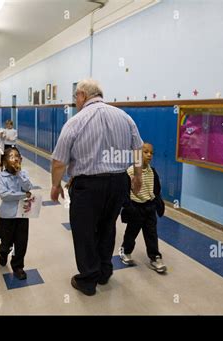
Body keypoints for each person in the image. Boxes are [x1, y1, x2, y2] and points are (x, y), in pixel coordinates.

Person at [51, 79, 143, 296]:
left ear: (82, 95)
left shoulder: (76, 121)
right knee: (107, 227)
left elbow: (58, 162)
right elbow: (138, 148)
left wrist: (55, 185)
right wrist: (137, 177)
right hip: (119, 182)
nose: (75, 102)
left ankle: (88, 280)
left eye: (75, 97)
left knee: (84, 231)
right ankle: (104, 271)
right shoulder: (124, 117)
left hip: (88, 186)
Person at [119, 143, 167, 273]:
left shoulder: (152, 172)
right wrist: (129, 207)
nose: (149, 155)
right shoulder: (130, 172)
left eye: (151, 153)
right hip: (135, 208)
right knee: (131, 233)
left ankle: (155, 257)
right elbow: (124, 192)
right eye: (145, 152)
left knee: (151, 233)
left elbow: (156, 189)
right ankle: (125, 250)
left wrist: (158, 204)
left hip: (149, 207)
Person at [0, 147, 33, 280]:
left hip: (22, 214)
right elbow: (5, 195)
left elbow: (29, 187)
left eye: (17, 156)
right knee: (6, 243)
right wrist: (23, 195)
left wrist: (19, 174)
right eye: (11, 156)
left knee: (21, 242)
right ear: (5, 161)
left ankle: (18, 266)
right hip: (7, 216)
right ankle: (3, 253)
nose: (15, 158)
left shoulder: (23, 173)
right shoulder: (1, 176)